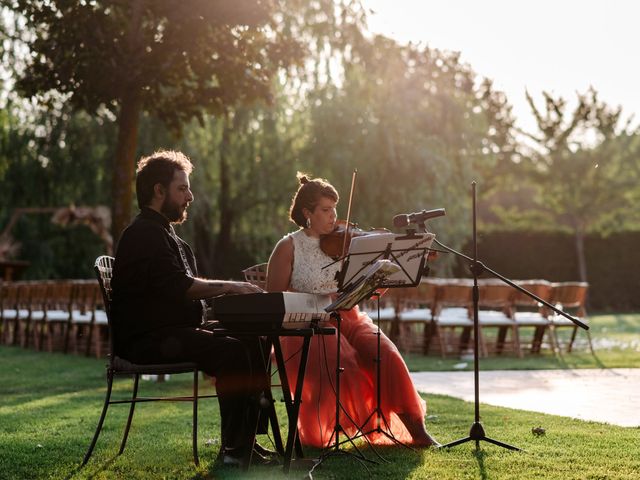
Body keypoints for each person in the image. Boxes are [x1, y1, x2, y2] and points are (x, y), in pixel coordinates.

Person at [110, 149, 273, 466]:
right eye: (182, 188)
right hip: (148, 340)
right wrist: (232, 286)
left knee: (252, 337)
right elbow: (182, 287)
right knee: (233, 351)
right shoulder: (144, 234)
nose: (190, 196)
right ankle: (235, 451)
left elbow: (183, 289)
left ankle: (246, 440)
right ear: (159, 191)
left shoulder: (165, 235)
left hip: (173, 332)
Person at [266, 173, 439, 448]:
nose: (333, 216)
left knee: (386, 354)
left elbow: (366, 288)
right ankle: (341, 429)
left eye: (335, 208)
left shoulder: (349, 244)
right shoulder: (288, 247)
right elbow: (273, 299)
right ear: (306, 212)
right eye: (325, 210)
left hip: (349, 316)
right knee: (341, 357)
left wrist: (383, 276)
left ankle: (418, 432)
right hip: (306, 325)